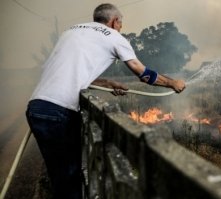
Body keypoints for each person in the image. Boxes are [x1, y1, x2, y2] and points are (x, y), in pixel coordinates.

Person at [25, 3, 185, 199]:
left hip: (36, 107)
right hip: (60, 111)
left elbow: (62, 73)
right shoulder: (114, 37)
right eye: (121, 22)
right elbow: (142, 73)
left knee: (59, 177)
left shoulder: (70, 32)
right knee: (70, 179)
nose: (121, 27)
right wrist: (172, 83)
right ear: (115, 21)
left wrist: (108, 82)